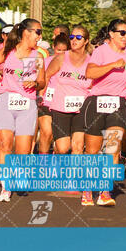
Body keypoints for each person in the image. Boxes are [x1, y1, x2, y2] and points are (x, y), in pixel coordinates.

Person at [0, 18, 45, 202]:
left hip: (27, 104)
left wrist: (35, 83)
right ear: (27, 32)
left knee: (23, 150)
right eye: (38, 32)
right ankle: (5, 187)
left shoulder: (38, 57)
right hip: (5, 100)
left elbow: (42, 81)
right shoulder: (8, 51)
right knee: (4, 143)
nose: (40, 36)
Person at [80, 19, 126, 207]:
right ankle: (88, 190)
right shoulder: (100, 51)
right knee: (92, 150)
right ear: (112, 34)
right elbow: (90, 73)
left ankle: (105, 191)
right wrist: (113, 65)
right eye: (122, 33)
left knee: (112, 147)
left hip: (118, 103)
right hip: (96, 102)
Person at [46, 26, 92, 157]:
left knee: (77, 146)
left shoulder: (91, 61)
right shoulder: (61, 58)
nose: (74, 40)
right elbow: (46, 75)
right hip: (60, 108)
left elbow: (96, 83)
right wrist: (41, 96)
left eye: (78, 37)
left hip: (81, 109)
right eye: (72, 37)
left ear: (86, 41)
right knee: (62, 148)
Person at [37, 33, 70, 155]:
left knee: (61, 141)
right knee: (46, 133)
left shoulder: (70, 63)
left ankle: (56, 164)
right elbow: (40, 79)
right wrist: (40, 95)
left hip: (63, 104)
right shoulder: (45, 61)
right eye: (58, 50)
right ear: (53, 47)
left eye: (64, 51)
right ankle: (43, 164)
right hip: (46, 100)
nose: (60, 53)